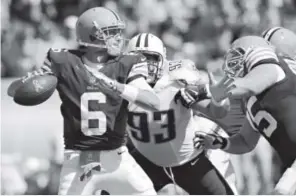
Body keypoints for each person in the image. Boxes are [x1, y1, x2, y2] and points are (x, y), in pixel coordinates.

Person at [8, 7, 158, 195]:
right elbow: (15, 91)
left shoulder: (128, 63)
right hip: (78, 160)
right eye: (111, 32)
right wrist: (28, 83)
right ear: (93, 36)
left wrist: (120, 87)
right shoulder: (62, 60)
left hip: (118, 159)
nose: (119, 38)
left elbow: (153, 102)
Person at [125, 33, 234, 194]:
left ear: (163, 58)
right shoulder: (121, 83)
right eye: (139, 58)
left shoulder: (177, 80)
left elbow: (217, 112)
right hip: (146, 162)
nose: (145, 65)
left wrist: (218, 100)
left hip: (189, 162)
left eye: (151, 58)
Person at [194, 35, 296, 194]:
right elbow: (245, 141)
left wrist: (210, 91)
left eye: (238, 53)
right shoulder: (251, 102)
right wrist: (222, 143)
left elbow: (251, 85)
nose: (233, 61)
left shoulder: (274, 68)